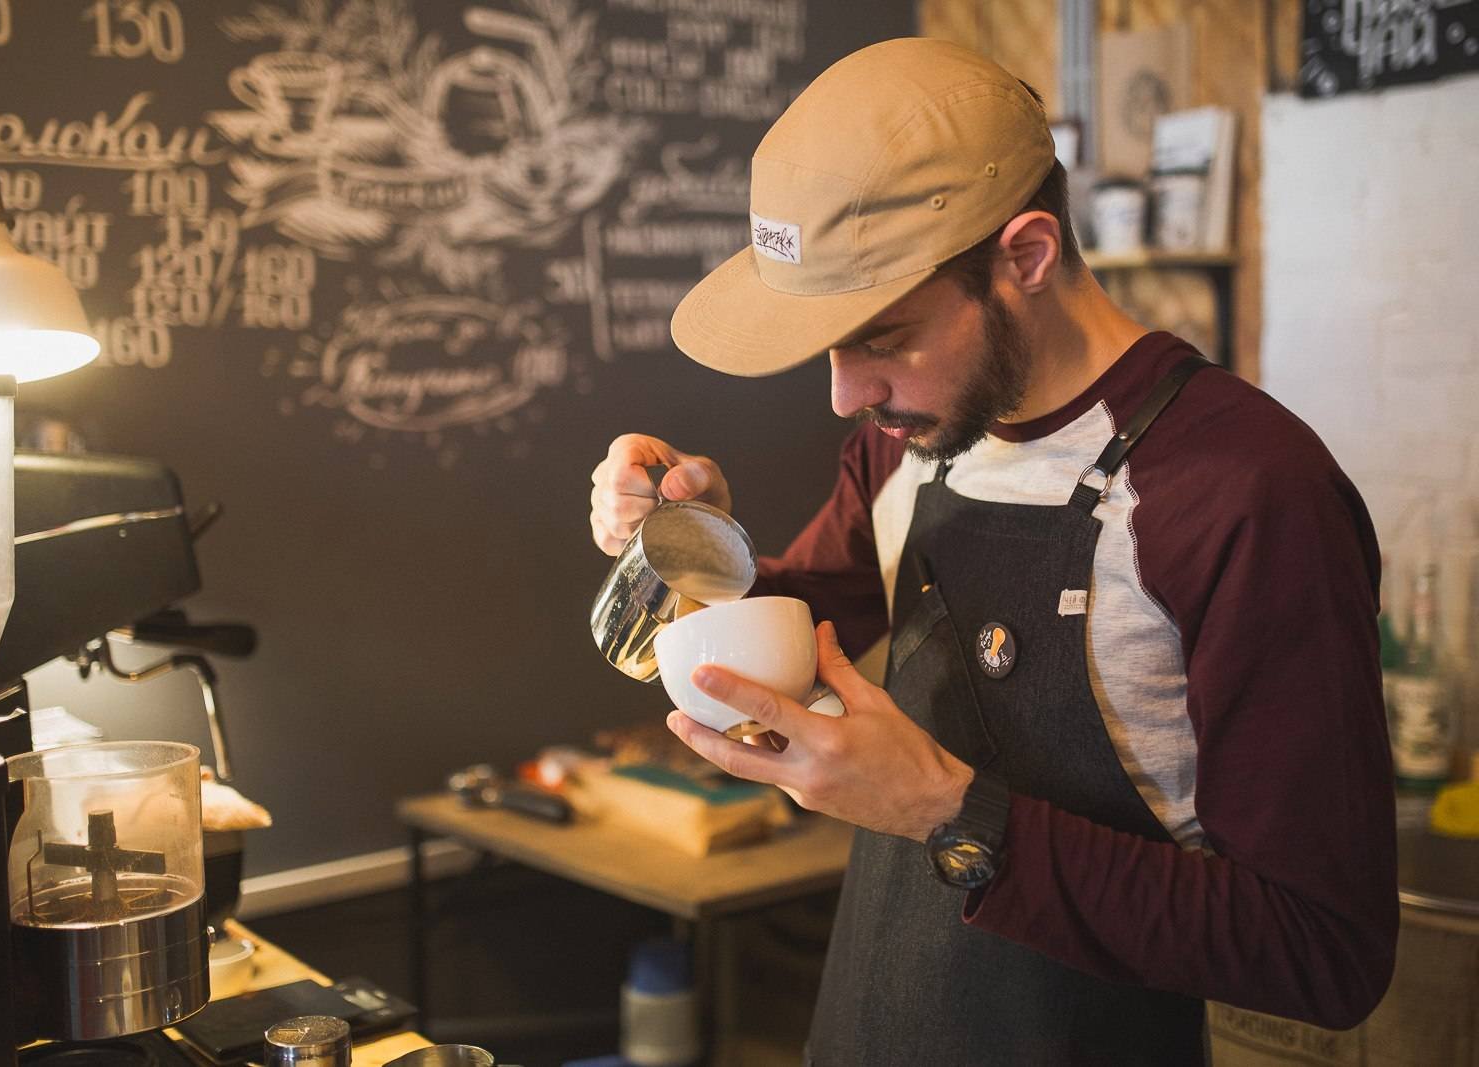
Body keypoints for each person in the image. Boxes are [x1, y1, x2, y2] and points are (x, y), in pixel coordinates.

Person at [587, 37, 1398, 1066]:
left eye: (881, 334)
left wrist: (942, 804)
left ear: (1025, 255)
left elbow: (1321, 950)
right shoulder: (907, 447)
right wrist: (678, 547)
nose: (847, 394)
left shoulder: (1240, 493)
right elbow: (769, 645)